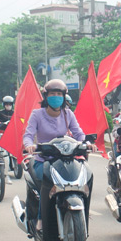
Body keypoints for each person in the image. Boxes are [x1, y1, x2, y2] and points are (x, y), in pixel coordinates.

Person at [23, 79, 96, 231]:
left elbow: (78, 133)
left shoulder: (67, 114)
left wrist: (86, 143)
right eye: (52, 94)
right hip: (43, 160)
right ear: (46, 97)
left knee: (86, 175)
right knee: (47, 180)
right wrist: (29, 145)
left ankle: (83, 207)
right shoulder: (37, 114)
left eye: (59, 94)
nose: (56, 97)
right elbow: (28, 134)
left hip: (64, 158)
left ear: (63, 97)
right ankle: (41, 218)